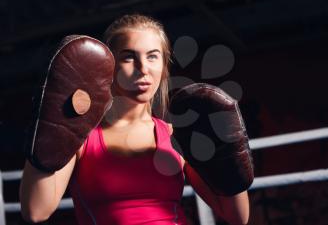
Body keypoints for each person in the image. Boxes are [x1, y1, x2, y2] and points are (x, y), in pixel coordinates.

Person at [19, 14, 250, 225]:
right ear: (109, 67)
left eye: (152, 57)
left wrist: (227, 154)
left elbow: (237, 216)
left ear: (163, 66)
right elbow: (36, 211)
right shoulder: (82, 136)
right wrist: (49, 123)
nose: (143, 69)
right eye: (129, 57)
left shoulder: (176, 135)